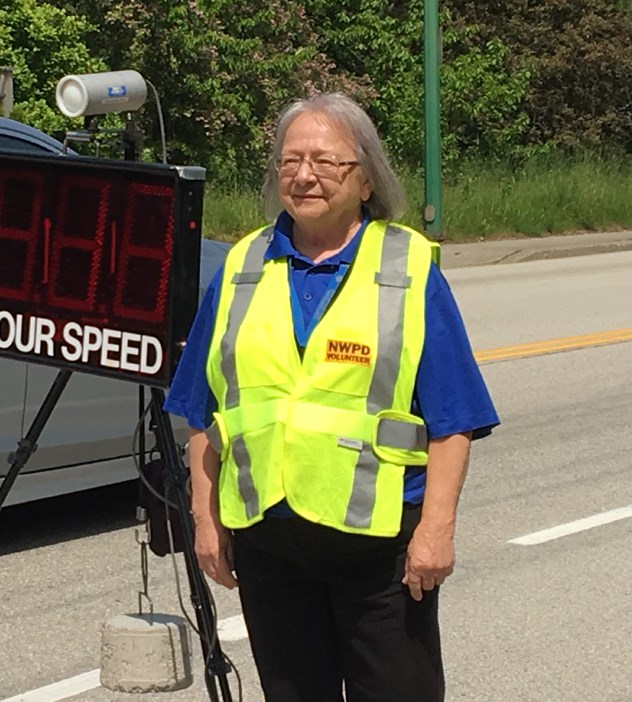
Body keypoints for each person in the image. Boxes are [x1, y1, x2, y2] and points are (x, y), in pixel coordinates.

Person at [164, 93, 499, 702]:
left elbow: (454, 421)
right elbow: (200, 411)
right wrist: (204, 517)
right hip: (270, 545)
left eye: (326, 161)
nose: (304, 175)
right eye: (290, 161)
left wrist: (436, 531)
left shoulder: (407, 269)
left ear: (366, 178)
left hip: (381, 554)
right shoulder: (242, 264)